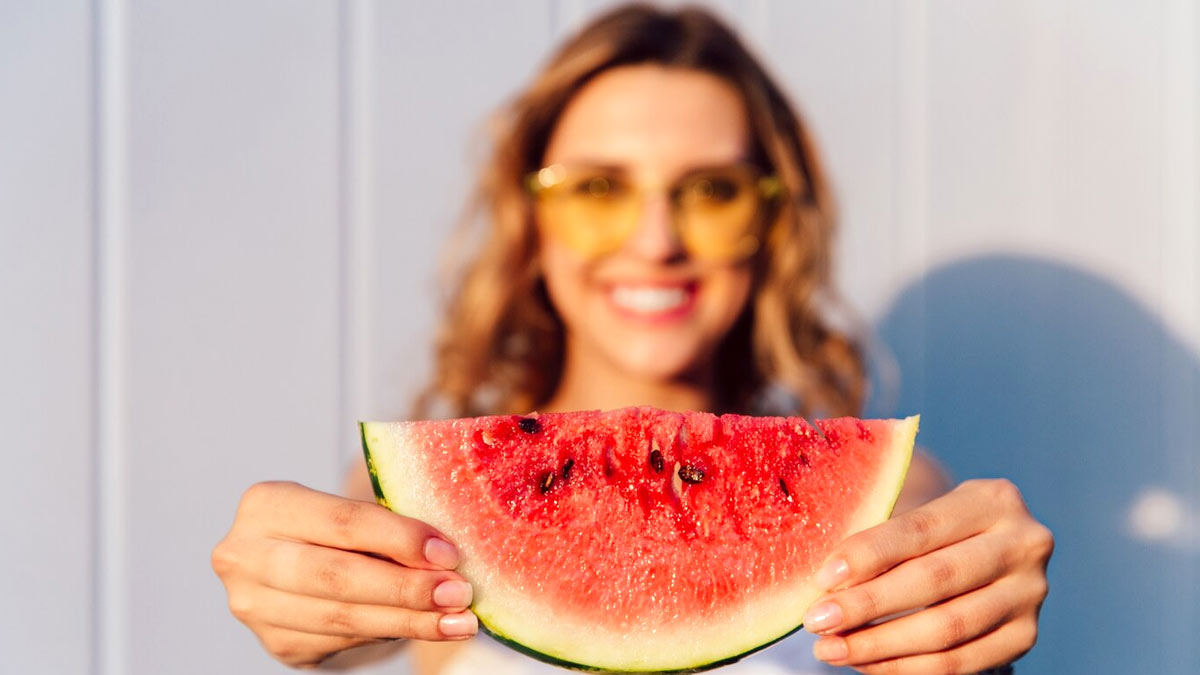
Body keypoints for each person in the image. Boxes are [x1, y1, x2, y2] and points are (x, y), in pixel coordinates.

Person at [212, 5, 1053, 674]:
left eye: (712, 189)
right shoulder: (400, 493)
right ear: (533, 221)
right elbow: (352, 627)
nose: (655, 240)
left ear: (771, 222)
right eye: (598, 188)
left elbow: (932, 614)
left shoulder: (905, 496)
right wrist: (304, 613)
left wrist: (971, 647)